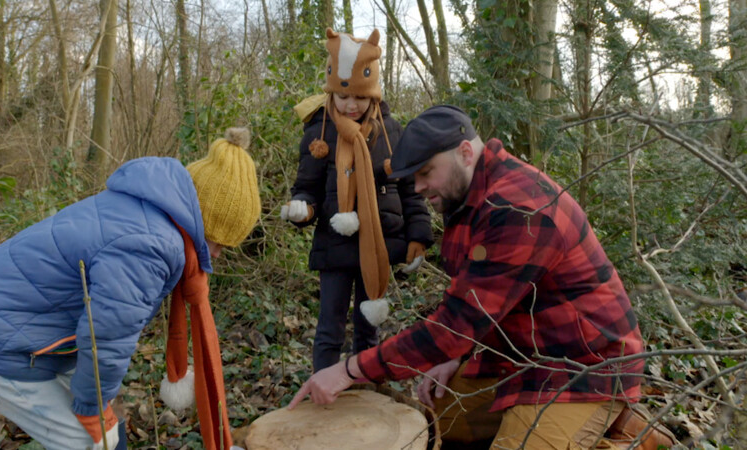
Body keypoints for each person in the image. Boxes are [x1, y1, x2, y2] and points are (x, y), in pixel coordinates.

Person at [289, 106, 675, 448]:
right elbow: (475, 305)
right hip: (520, 355)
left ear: (466, 152)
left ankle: (622, 430)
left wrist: (349, 369)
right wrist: (459, 354)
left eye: (425, 173)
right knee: (442, 418)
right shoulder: (470, 196)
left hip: (580, 369)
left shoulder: (518, 210)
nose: (419, 188)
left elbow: (452, 327)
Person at [0, 128, 260, 450]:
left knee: (110, 424)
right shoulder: (151, 245)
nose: (219, 253)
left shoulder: (141, 211)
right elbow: (107, 335)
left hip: (8, 323)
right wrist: (91, 410)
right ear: (204, 220)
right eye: (220, 241)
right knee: (86, 442)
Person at [281, 28, 433, 373]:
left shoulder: (392, 131)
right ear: (332, 93)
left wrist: (418, 237)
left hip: (378, 245)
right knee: (329, 329)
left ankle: (366, 389)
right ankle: (323, 391)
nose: (351, 106)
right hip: (335, 245)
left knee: (368, 329)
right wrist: (302, 209)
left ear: (373, 96)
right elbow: (308, 187)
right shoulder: (317, 133)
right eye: (343, 97)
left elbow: (410, 191)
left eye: (360, 99)